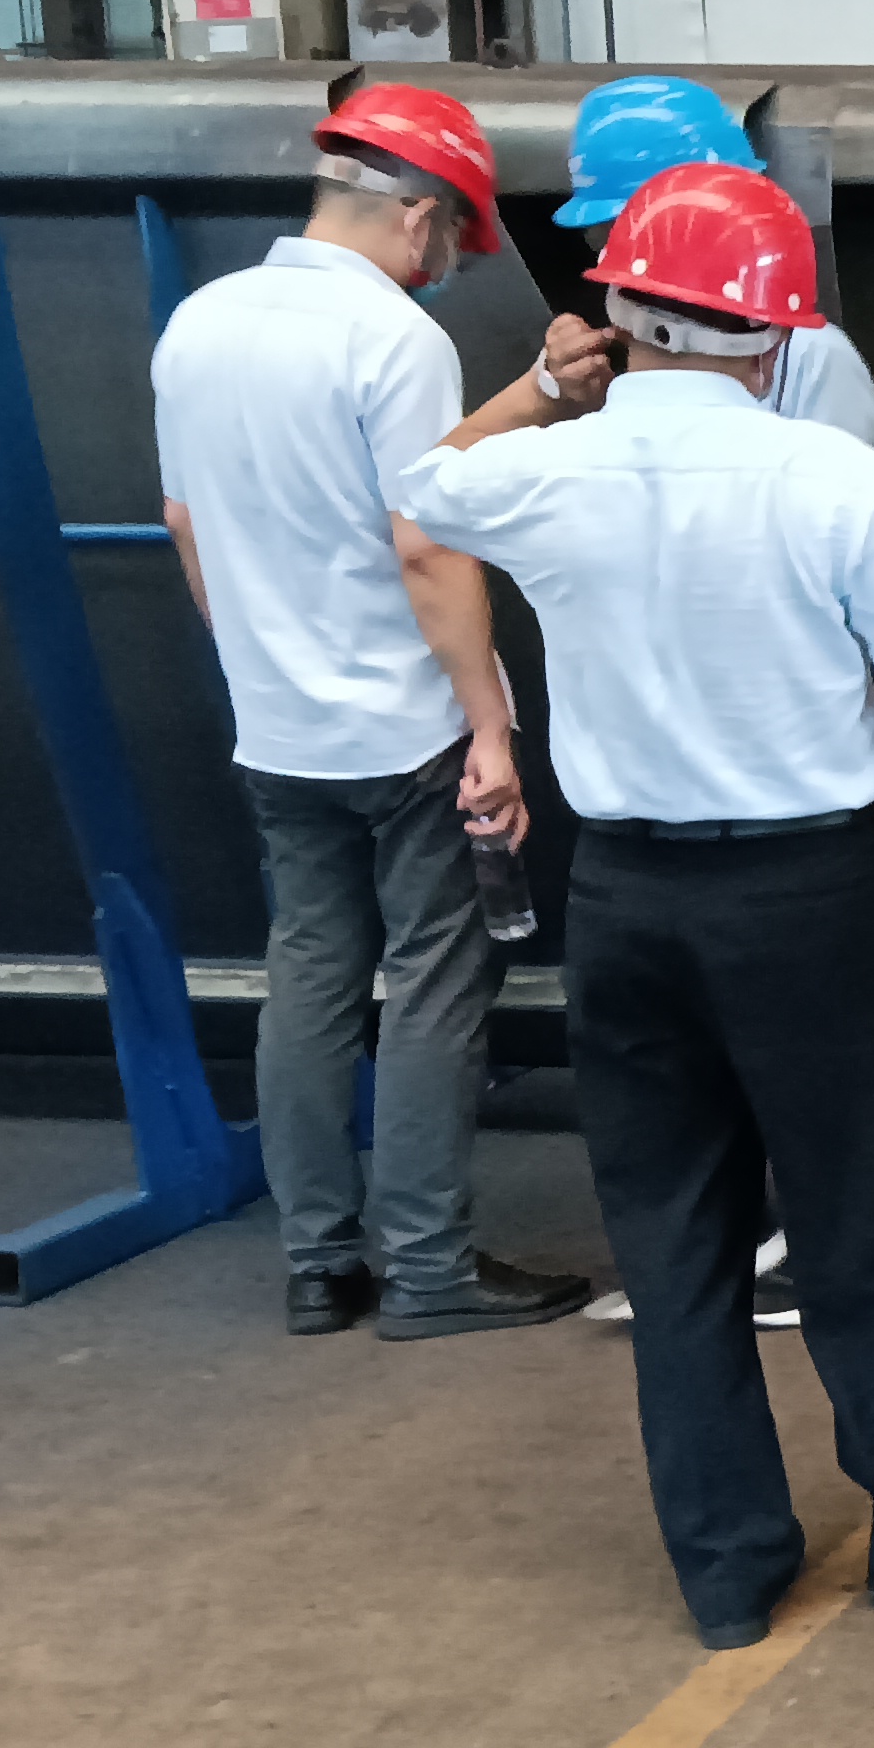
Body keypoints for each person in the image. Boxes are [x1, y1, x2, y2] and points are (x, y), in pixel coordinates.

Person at [389, 162, 874, 1645]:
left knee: (672, 1233)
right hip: (802, 895)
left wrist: (542, 387)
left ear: (616, 310)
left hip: (626, 897)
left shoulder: (552, 470)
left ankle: (727, 1566)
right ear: (774, 334)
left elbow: (425, 490)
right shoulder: (826, 476)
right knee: (860, 1215)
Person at [149, 80, 582, 1341]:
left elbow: (184, 522)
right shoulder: (393, 337)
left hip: (280, 728)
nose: (444, 270)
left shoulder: (199, 324)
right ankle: (432, 1269)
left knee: (311, 974)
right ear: (422, 215)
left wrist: (260, 663)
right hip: (405, 728)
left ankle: (319, 1265)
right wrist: (491, 725)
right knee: (438, 979)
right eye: (453, 244)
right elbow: (425, 540)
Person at [542, 74, 874, 1335]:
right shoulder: (617, 372)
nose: (607, 250)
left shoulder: (808, 358)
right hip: (656, 775)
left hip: (774, 772)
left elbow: (856, 570)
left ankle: (796, 1247)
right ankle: (729, 1247)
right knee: (692, 1076)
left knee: (807, 1069)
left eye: (618, 220)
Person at [539, 73, 874, 454]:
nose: (629, 254)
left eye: (651, 228)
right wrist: (549, 392)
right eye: (607, 234)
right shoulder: (598, 344)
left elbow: (854, 484)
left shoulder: (809, 356)